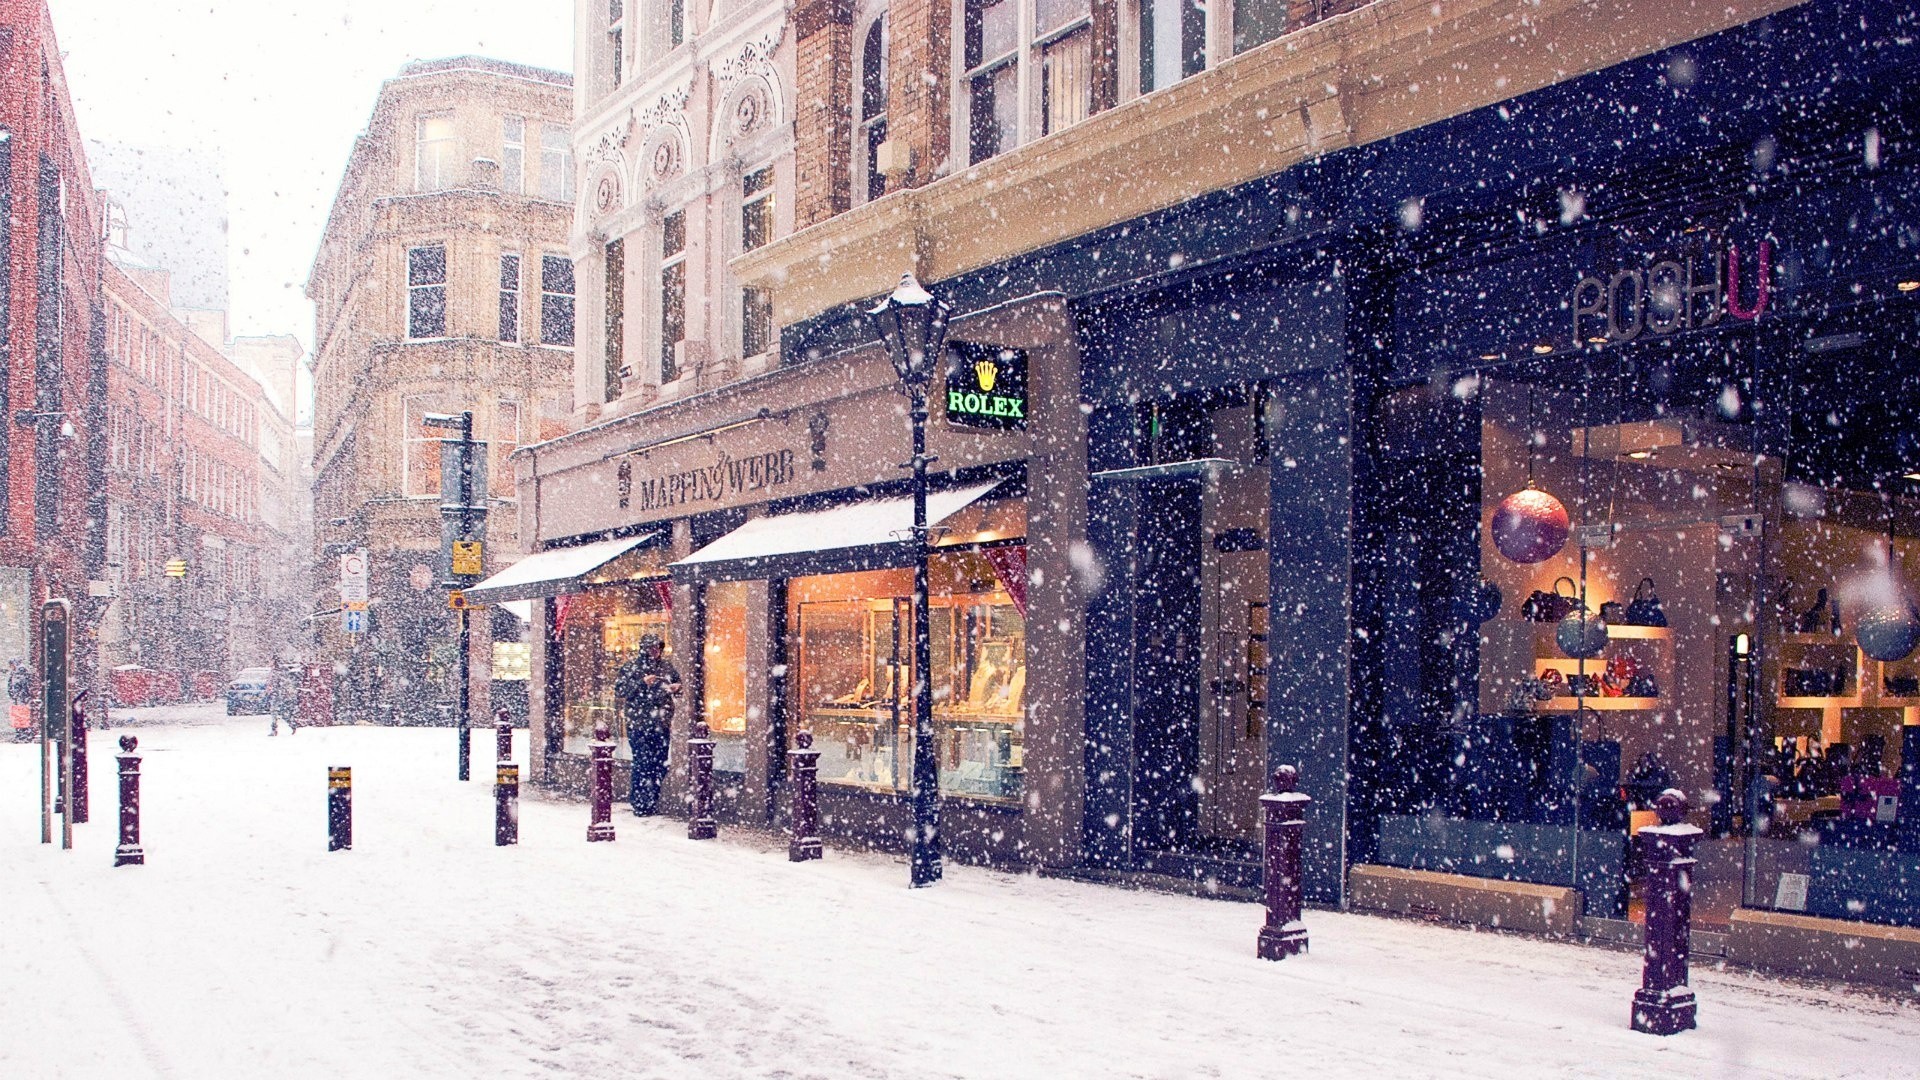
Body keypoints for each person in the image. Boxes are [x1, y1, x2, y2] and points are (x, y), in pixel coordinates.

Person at [615, 634, 680, 815]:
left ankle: (652, 799)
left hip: (662, 723)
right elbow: (620, 690)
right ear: (644, 649)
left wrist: (676, 687)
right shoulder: (632, 667)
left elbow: (677, 683)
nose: (655, 651)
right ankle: (640, 802)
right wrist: (642, 683)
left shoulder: (666, 666)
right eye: (652, 648)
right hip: (639, 724)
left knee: (660, 763)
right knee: (643, 763)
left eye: (658, 648)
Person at [269, 664, 300, 737]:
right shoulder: (282, 679)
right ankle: (275, 729)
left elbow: (288, 690)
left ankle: (292, 725)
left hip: (282, 698)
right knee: (277, 713)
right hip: (280, 697)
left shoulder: (283, 679)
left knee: (281, 713)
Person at [7, 659, 31, 742]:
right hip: (19, 700)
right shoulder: (15, 673)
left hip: (21, 700)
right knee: (18, 717)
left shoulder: (20, 672)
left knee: (21, 717)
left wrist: (19, 695)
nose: (10, 667)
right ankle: (21, 734)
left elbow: (23, 686)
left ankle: (23, 735)